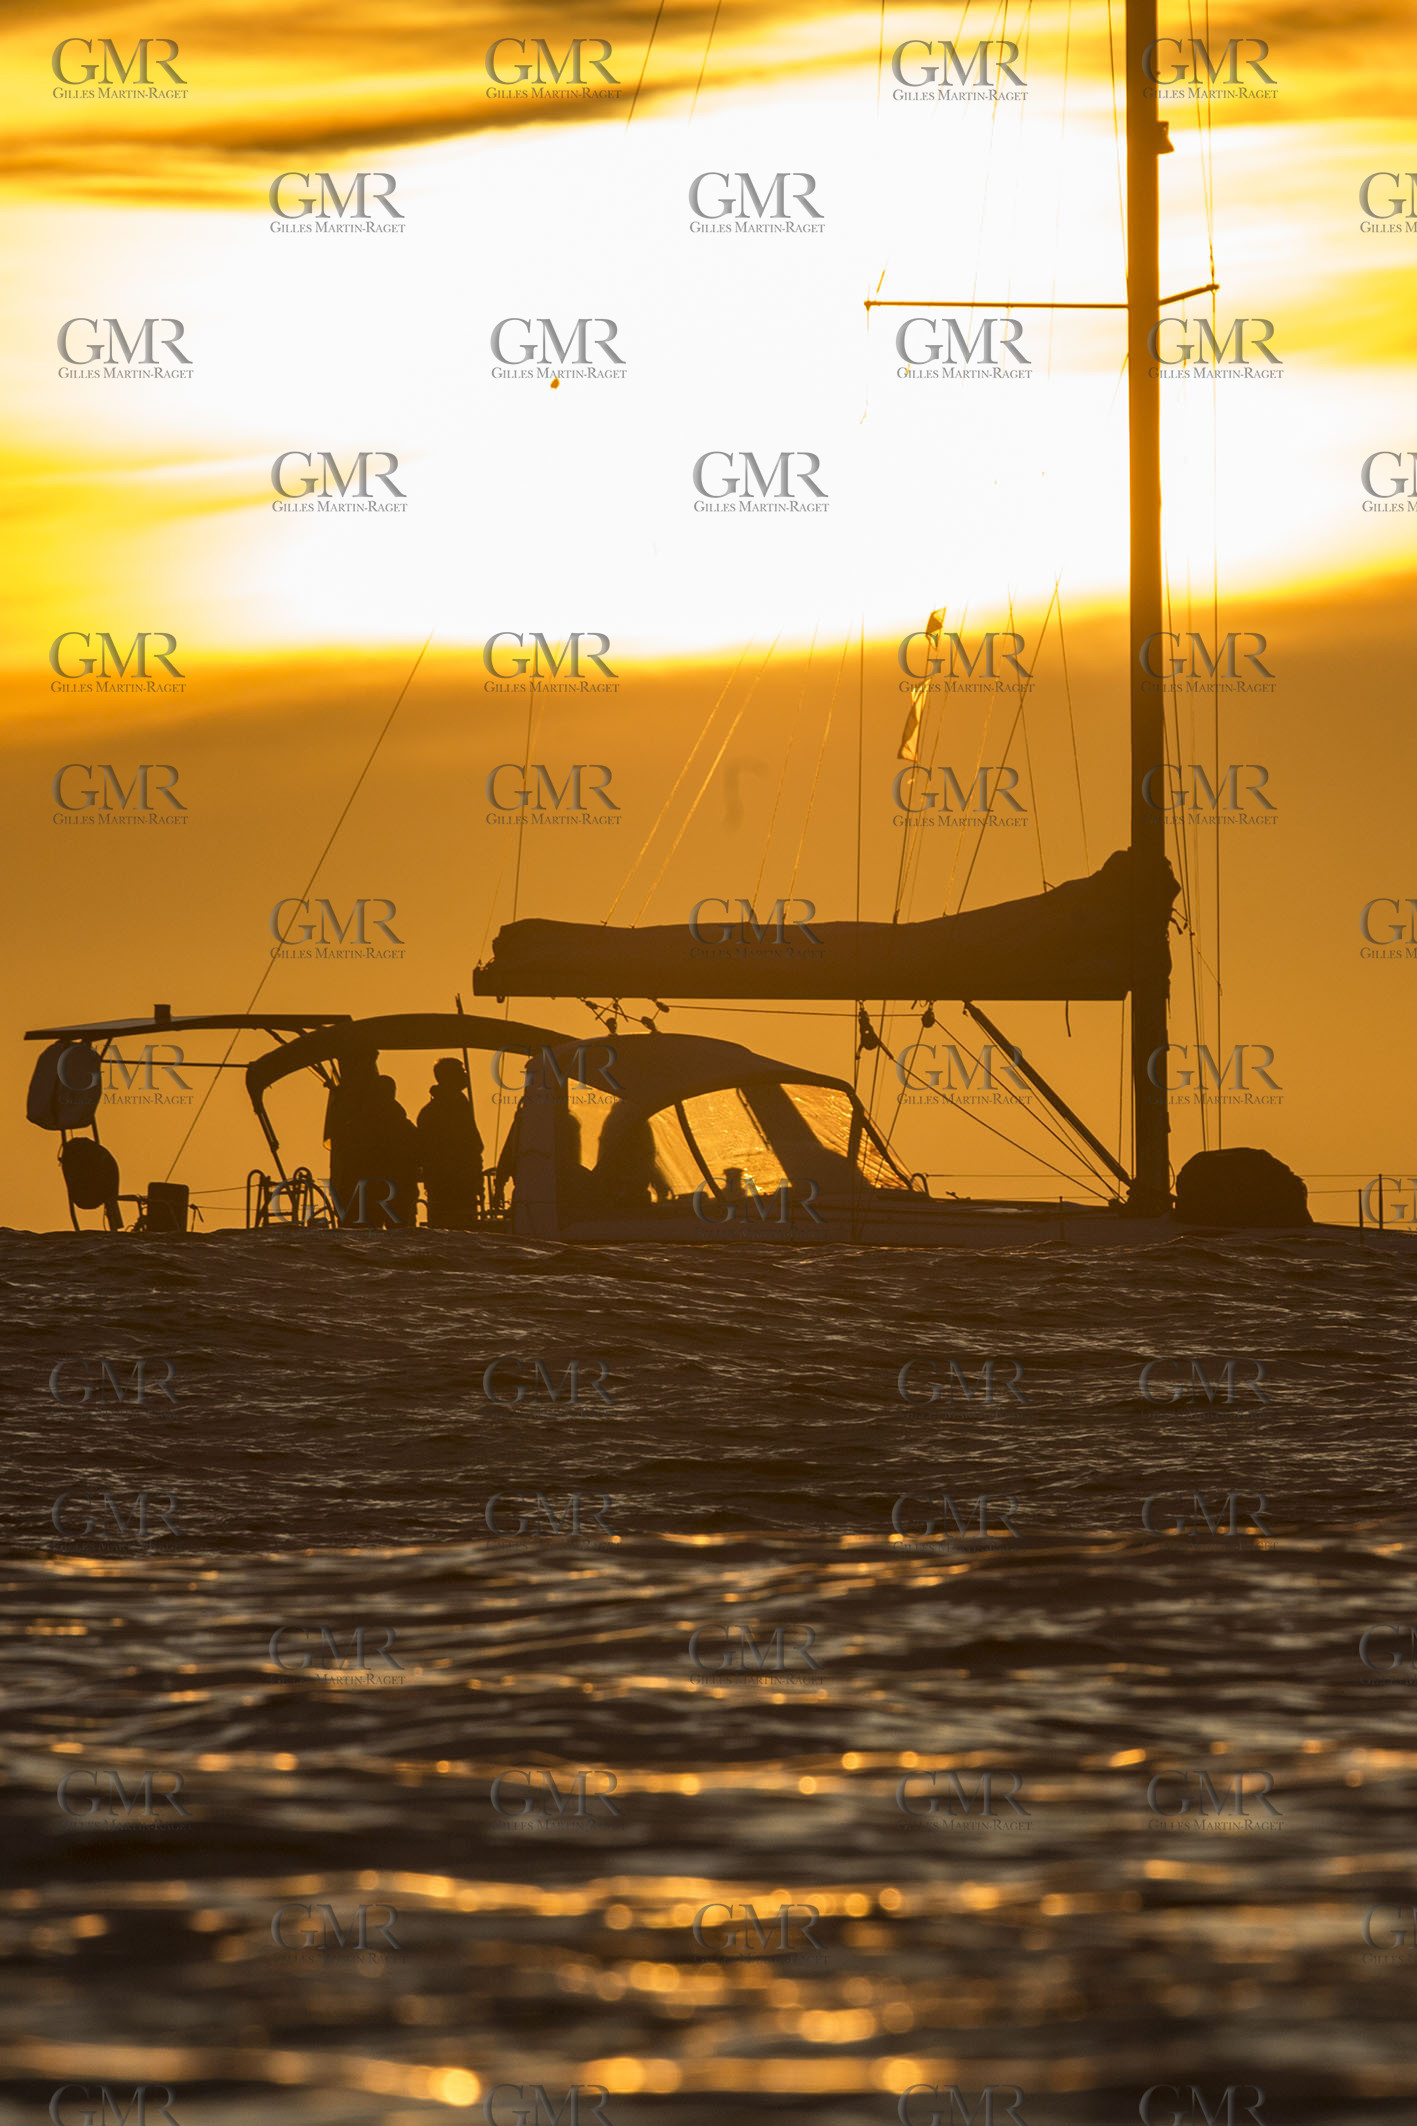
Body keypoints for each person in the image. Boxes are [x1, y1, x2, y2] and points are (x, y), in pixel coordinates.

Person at [416, 1058, 484, 1229]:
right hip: (453, 1184)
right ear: (449, 1077)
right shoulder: (446, 1110)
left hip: (452, 1182)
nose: (465, 1075)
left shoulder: (434, 1111)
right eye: (461, 1072)